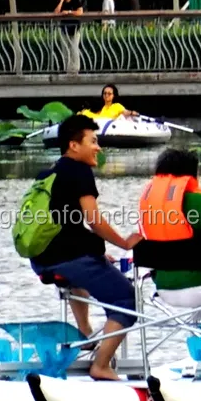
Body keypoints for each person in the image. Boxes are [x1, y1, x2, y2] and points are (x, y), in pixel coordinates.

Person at [29, 114, 142, 379]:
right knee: (127, 299)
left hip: (42, 260)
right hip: (70, 259)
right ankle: (101, 366)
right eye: (93, 140)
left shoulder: (48, 173)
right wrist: (125, 243)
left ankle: (86, 334)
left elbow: (62, 224)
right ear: (74, 145)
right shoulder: (79, 171)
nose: (98, 147)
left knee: (84, 276)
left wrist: (99, 253)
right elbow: (93, 220)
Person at [133, 148, 201, 309]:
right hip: (200, 287)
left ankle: (200, 332)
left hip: (163, 289)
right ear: (192, 173)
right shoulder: (197, 201)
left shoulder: (150, 204)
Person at [54, 0, 84, 75]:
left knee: (74, 50)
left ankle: (75, 70)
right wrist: (61, 1)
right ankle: (67, 70)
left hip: (75, 30)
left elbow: (80, 12)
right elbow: (56, 13)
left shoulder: (75, 1)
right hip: (64, 30)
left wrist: (69, 12)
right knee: (65, 50)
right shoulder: (61, 3)